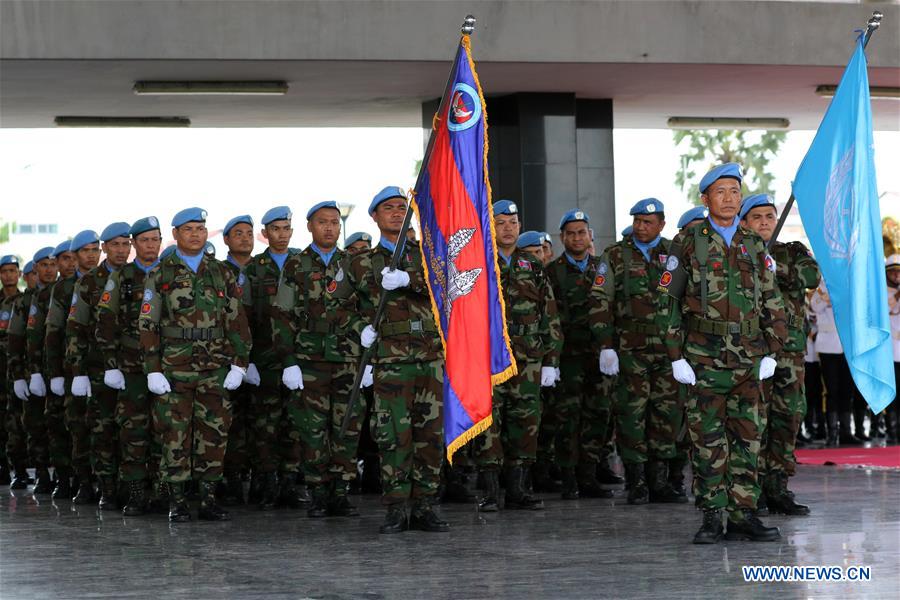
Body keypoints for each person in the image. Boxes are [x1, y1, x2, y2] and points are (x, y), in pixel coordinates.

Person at [661, 163, 787, 544]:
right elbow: (668, 301)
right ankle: (713, 515)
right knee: (707, 441)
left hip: (749, 359)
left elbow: (772, 299)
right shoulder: (687, 242)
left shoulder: (753, 242)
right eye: (721, 192)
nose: (730, 198)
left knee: (749, 437)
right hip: (703, 358)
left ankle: (744, 514)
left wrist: (772, 349)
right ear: (705, 199)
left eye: (735, 191)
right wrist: (675, 356)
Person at [139, 207, 252, 522]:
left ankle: (208, 498)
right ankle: (177, 499)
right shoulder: (160, 274)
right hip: (175, 366)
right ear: (175, 234)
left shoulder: (222, 272)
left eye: (200, 229)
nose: (195, 234)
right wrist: (153, 369)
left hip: (215, 366)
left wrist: (239, 364)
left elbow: (237, 321)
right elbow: (148, 324)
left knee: (214, 432)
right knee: (175, 433)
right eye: (188, 229)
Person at [346, 186, 448, 533]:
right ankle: (396, 506)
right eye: (388, 208)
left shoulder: (428, 255)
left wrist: (411, 278)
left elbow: (448, 284)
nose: (396, 214)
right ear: (374, 216)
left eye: (402, 208)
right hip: (390, 360)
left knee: (430, 435)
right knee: (393, 436)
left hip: (429, 357)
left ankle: (426, 505)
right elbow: (339, 308)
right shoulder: (360, 262)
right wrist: (361, 329)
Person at [272, 201, 367, 518]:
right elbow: (282, 315)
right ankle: (317, 491)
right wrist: (288, 361)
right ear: (310, 226)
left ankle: (340, 491)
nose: (330, 228)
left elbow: (368, 313)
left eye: (335, 223)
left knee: (347, 425)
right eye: (323, 222)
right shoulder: (296, 265)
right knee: (312, 429)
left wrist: (370, 360)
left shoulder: (353, 263)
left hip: (348, 357)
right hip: (309, 358)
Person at [592, 198, 685, 504]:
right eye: (637, 222)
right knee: (631, 415)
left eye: (648, 222)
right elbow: (600, 299)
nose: (640, 227)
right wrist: (606, 345)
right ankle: (637, 482)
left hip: (669, 351)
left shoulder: (676, 252)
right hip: (630, 349)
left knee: (665, 416)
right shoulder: (616, 255)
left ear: (661, 224)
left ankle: (659, 482)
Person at [470, 212, 561, 512]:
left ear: (520, 227)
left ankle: (518, 490)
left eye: (513, 223)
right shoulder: (477, 261)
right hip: (489, 359)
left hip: (528, 358)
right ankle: (490, 491)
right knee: (489, 423)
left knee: (525, 422)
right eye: (500, 223)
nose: (507, 229)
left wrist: (551, 360)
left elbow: (548, 312)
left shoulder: (532, 264)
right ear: (489, 227)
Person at [739, 194, 819, 515]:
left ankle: (778, 486)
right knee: (754, 420)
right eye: (756, 217)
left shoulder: (792, 252)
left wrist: (775, 266)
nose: (764, 223)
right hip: (753, 353)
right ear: (743, 223)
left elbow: (811, 277)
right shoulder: (735, 255)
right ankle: (753, 489)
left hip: (789, 354)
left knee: (788, 418)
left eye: (769, 217)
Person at [95, 217, 163, 515]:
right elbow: (105, 323)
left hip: (167, 367)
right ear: (136, 243)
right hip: (132, 368)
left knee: (167, 432)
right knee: (133, 433)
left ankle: (162, 491)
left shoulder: (170, 273)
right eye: (145, 240)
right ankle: (135, 493)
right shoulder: (121, 277)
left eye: (156, 239)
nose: (151, 245)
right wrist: (111, 365)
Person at [546, 208, 616, 499]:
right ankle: (568, 477)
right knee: (568, 417)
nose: (577, 238)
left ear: (590, 236)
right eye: (570, 233)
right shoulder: (551, 271)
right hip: (568, 357)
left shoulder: (604, 267)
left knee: (597, 414)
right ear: (562, 238)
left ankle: (589, 475)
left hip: (599, 355)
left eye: (582, 232)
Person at [243, 206, 307, 509]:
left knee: (294, 421)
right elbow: (242, 317)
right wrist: (247, 359)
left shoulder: (302, 263)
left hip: (299, 353)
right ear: (265, 233)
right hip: (265, 355)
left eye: (286, 228)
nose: (282, 234)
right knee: (265, 423)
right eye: (275, 229)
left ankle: (290, 483)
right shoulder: (253, 269)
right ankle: (266, 483)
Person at [66, 223, 131, 509]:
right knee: (103, 430)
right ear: (107, 247)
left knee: (135, 431)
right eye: (115, 245)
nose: (121, 250)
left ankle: (136, 487)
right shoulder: (89, 283)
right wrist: (77, 372)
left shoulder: (139, 276)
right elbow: (75, 330)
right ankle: (106, 487)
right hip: (99, 368)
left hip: (135, 367)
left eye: (125, 244)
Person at [218, 214, 256, 504]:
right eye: (238, 233)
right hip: (225, 358)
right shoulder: (218, 271)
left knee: (262, 421)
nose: (245, 238)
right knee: (230, 421)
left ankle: (263, 480)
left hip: (264, 357)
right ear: (226, 240)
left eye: (249, 233)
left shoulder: (263, 267)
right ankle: (230, 478)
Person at [41, 238, 80, 500]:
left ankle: (82, 477)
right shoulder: (49, 294)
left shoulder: (89, 285)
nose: (67, 264)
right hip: (61, 368)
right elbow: (43, 337)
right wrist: (47, 372)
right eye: (62, 259)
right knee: (59, 424)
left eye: (70, 258)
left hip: (85, 369)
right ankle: (63, 477)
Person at [24, 244, 63, 494]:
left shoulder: (62, 291)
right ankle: (41, 472)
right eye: (44, 265)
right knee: (38, 423)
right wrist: (30, 373)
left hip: (62, 368)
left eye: (53, 265)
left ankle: (63, 474)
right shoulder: (32, 299)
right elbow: (28, 338)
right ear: (36, 269)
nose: (49, 270)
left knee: (61, 424)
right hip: (40, 370)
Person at [6, 254, 45, 490]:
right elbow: (15, 341)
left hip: (46, 371)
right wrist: (18, 376)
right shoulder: (22, 303)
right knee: (23, 425)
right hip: (21, 372)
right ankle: (20, 470)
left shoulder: (48, 297)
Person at [0, 255, 24, 485]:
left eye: (12, 270)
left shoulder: (26, 300)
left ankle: (20, 468)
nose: (8, 275)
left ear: (19, 274)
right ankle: (3, 467)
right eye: (4, 271)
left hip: (18, 371)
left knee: (17, 419)